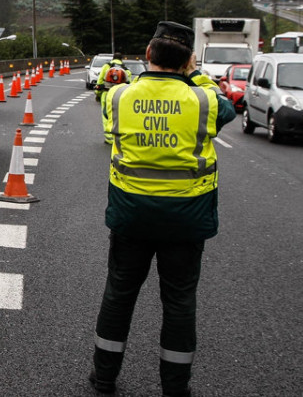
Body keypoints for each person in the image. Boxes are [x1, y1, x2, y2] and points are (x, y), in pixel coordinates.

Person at [88, 21, 236, 397]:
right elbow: (227, 110)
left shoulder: (119, 96)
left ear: (148, 55)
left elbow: (108, 98)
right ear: (187, 59)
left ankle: (104, 377)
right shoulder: (203, 100)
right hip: (187, 218)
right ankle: (175, 387)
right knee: (180, 302)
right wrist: (197, 74)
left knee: (119, 294)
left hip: (131, 214)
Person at [96, 54, 132, 144]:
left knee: (106, 115)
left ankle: (109, 137)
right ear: (121, 59)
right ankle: (118, 136)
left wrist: (98, 93)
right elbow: (129, 85)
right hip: (120, 95)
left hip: (106, 93)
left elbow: (100, 81)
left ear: (113, 59)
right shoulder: (126, 70)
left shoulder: (106, 66)